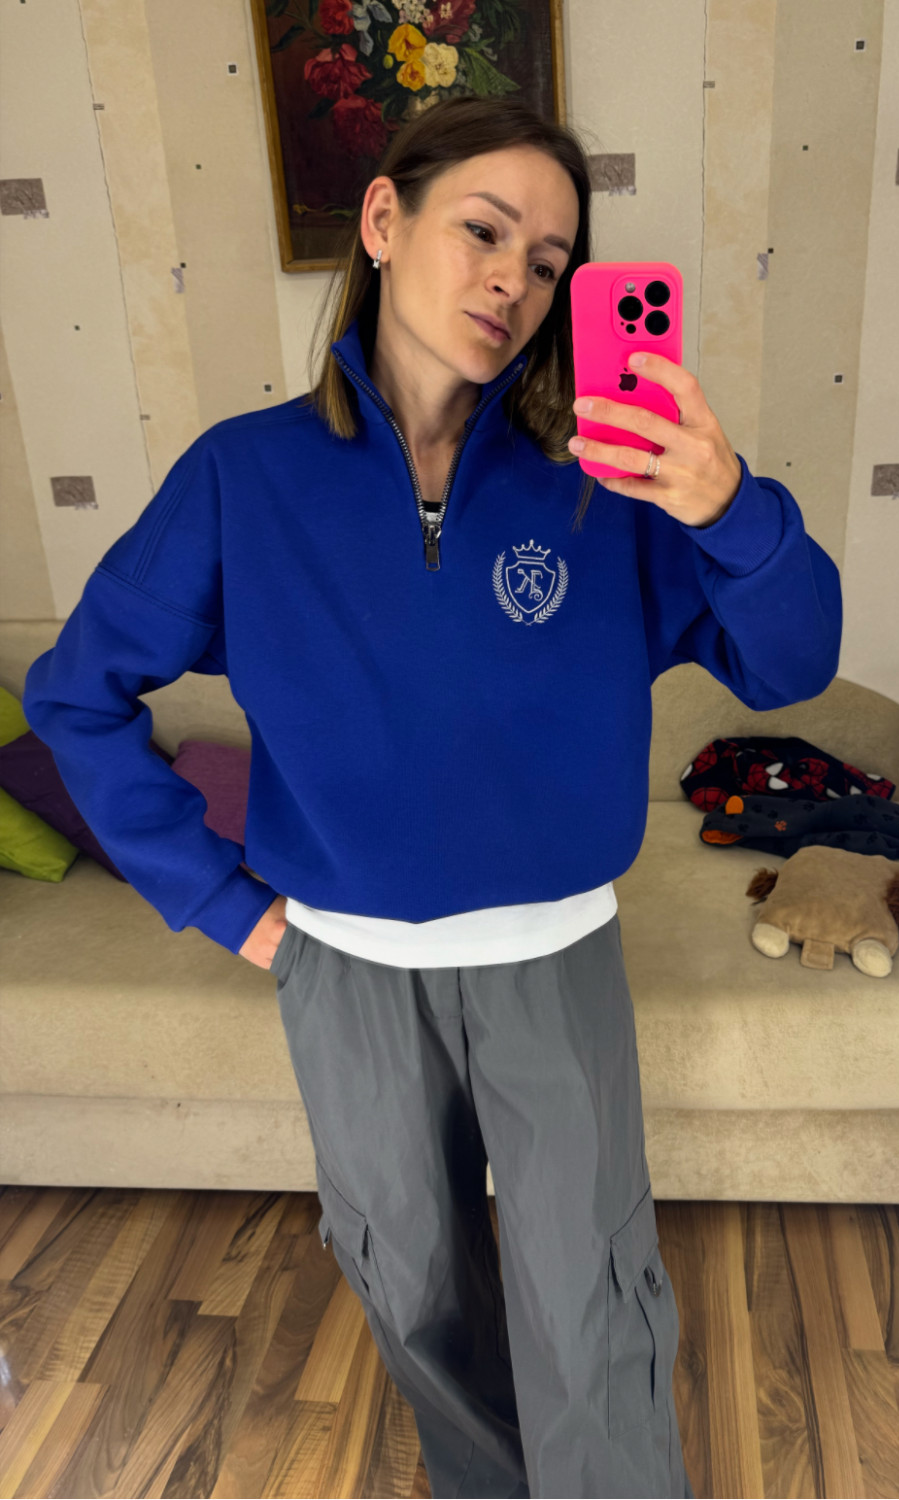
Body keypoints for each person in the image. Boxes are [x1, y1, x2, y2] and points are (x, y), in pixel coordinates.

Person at [23, 94, 841, 1498]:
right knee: (408, 1292)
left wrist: (726, 506)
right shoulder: (241, 477)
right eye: (484, 230)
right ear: (384, 222)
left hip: (552, 962)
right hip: (343, 974)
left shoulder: (608, 485)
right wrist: (219, 903)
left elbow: (790, 663)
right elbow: (74, 696)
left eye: (548, 261)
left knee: (588, 1307)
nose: (513, 280)